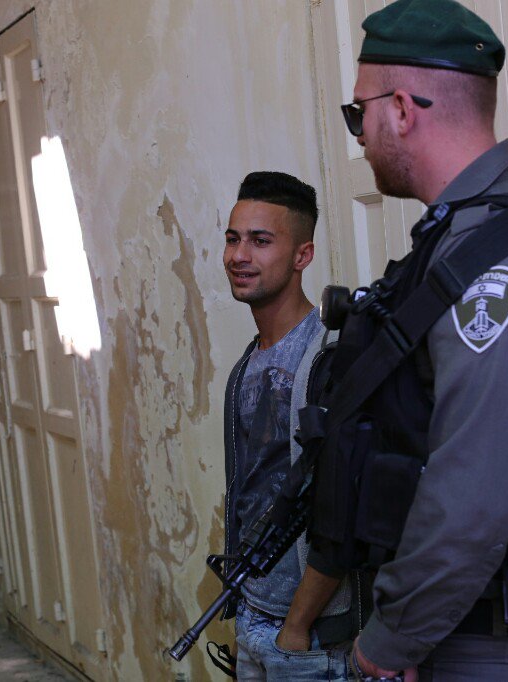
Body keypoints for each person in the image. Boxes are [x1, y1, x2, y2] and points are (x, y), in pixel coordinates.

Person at [307, 1, 508, 680]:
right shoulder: (473, 237)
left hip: (503, 647)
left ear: (400, 110)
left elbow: (473, 497)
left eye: (358, 113)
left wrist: (390, 641)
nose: (359, 136)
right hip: (478, 631)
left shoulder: (501, 266)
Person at [221, 171, 353, 680]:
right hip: (253, 613)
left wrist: (296, 626)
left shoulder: (326, 361)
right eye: (233, 239)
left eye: (260, 241)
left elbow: (344, 504)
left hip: (311, 635)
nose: (239, 255)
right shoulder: (248, 363)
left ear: (303, 255)